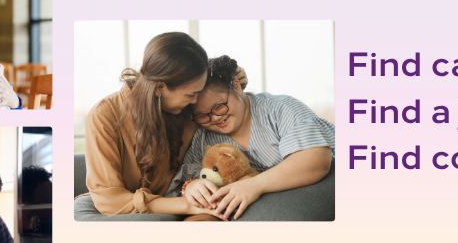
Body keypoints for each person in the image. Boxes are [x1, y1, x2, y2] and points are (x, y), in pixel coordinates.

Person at [171, 56, 336, 221]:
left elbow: (316, 160)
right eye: (202, 115)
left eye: (219, 106)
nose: (214, 118)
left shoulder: (280, 109)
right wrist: (192, 185)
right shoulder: (203, 138)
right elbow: (186, 177)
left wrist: (254, 185)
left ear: (236, 86)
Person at [76, 32, 216, 219]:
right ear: (159, 87)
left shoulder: (185, 110)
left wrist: (232, 75)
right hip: (118, 207)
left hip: (178, 197)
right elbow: (109, 198)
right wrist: (186, 205)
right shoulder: (103, 116)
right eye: (190, 95)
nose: (195, 101)